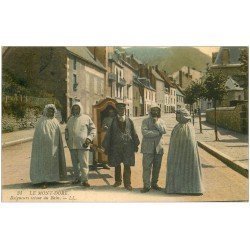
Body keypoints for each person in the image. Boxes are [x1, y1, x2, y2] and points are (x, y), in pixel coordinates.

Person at [102, 102, 140, 191]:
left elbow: (134, 133)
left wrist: (136, 144)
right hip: (116, 146)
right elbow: (108, 135)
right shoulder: (113, 121)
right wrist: (107, 146)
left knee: (127, 165)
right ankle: (118, 181)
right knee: (117, 164)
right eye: (119, 109)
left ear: (124, 110)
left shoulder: (129, 121)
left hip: (128, 147)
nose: (121, 111)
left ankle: (127, 184)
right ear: (117, 110)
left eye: (122, 109)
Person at [165, 108, 203, 195]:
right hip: (177, 153)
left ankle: (191, 187)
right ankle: (177, 187)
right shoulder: (177, 127)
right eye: (176, 114)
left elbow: (190, 142)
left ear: (184, 115)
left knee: (188, 166)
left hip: (188, 153)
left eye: (178, 114)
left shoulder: (189, 127)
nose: (176, 116)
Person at [30, 104, 67, 189]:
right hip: (43, 148)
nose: (51, 112)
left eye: (52, 111)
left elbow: (58, 135)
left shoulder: (55, 121)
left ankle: (53, 179)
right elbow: (38, 136)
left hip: (54, 147)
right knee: (44, 163)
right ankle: (44, 180)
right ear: (46, 111)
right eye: (49, 111)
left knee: (53, 162)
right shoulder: (41, 121)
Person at [65, 102, 96, 187]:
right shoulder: (70, 119)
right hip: (72, 145)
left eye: (77, 108)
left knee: (84, 163)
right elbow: (67, 130)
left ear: (80, 109)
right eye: (74, 108)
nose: (75, 110)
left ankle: (85, 180)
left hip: (83, 144)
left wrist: (89, 139)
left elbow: (93, 129)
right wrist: (67, 140)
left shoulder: (86, 118)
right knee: (75, 164)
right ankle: (77, 178)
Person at [140, 103, 166, 193]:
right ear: (150, 111)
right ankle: (146, 185)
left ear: (159, 111)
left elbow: (164, 130)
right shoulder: (145, 121)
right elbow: (145, 133)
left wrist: (156, 123)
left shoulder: (161, 121)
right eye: (153, 110)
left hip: (159, 148)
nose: (155, 112)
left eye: (157, 110)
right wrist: (157, 133)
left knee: (157, 167)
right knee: (146, 167)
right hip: (147, 148)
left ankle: (154, 184)